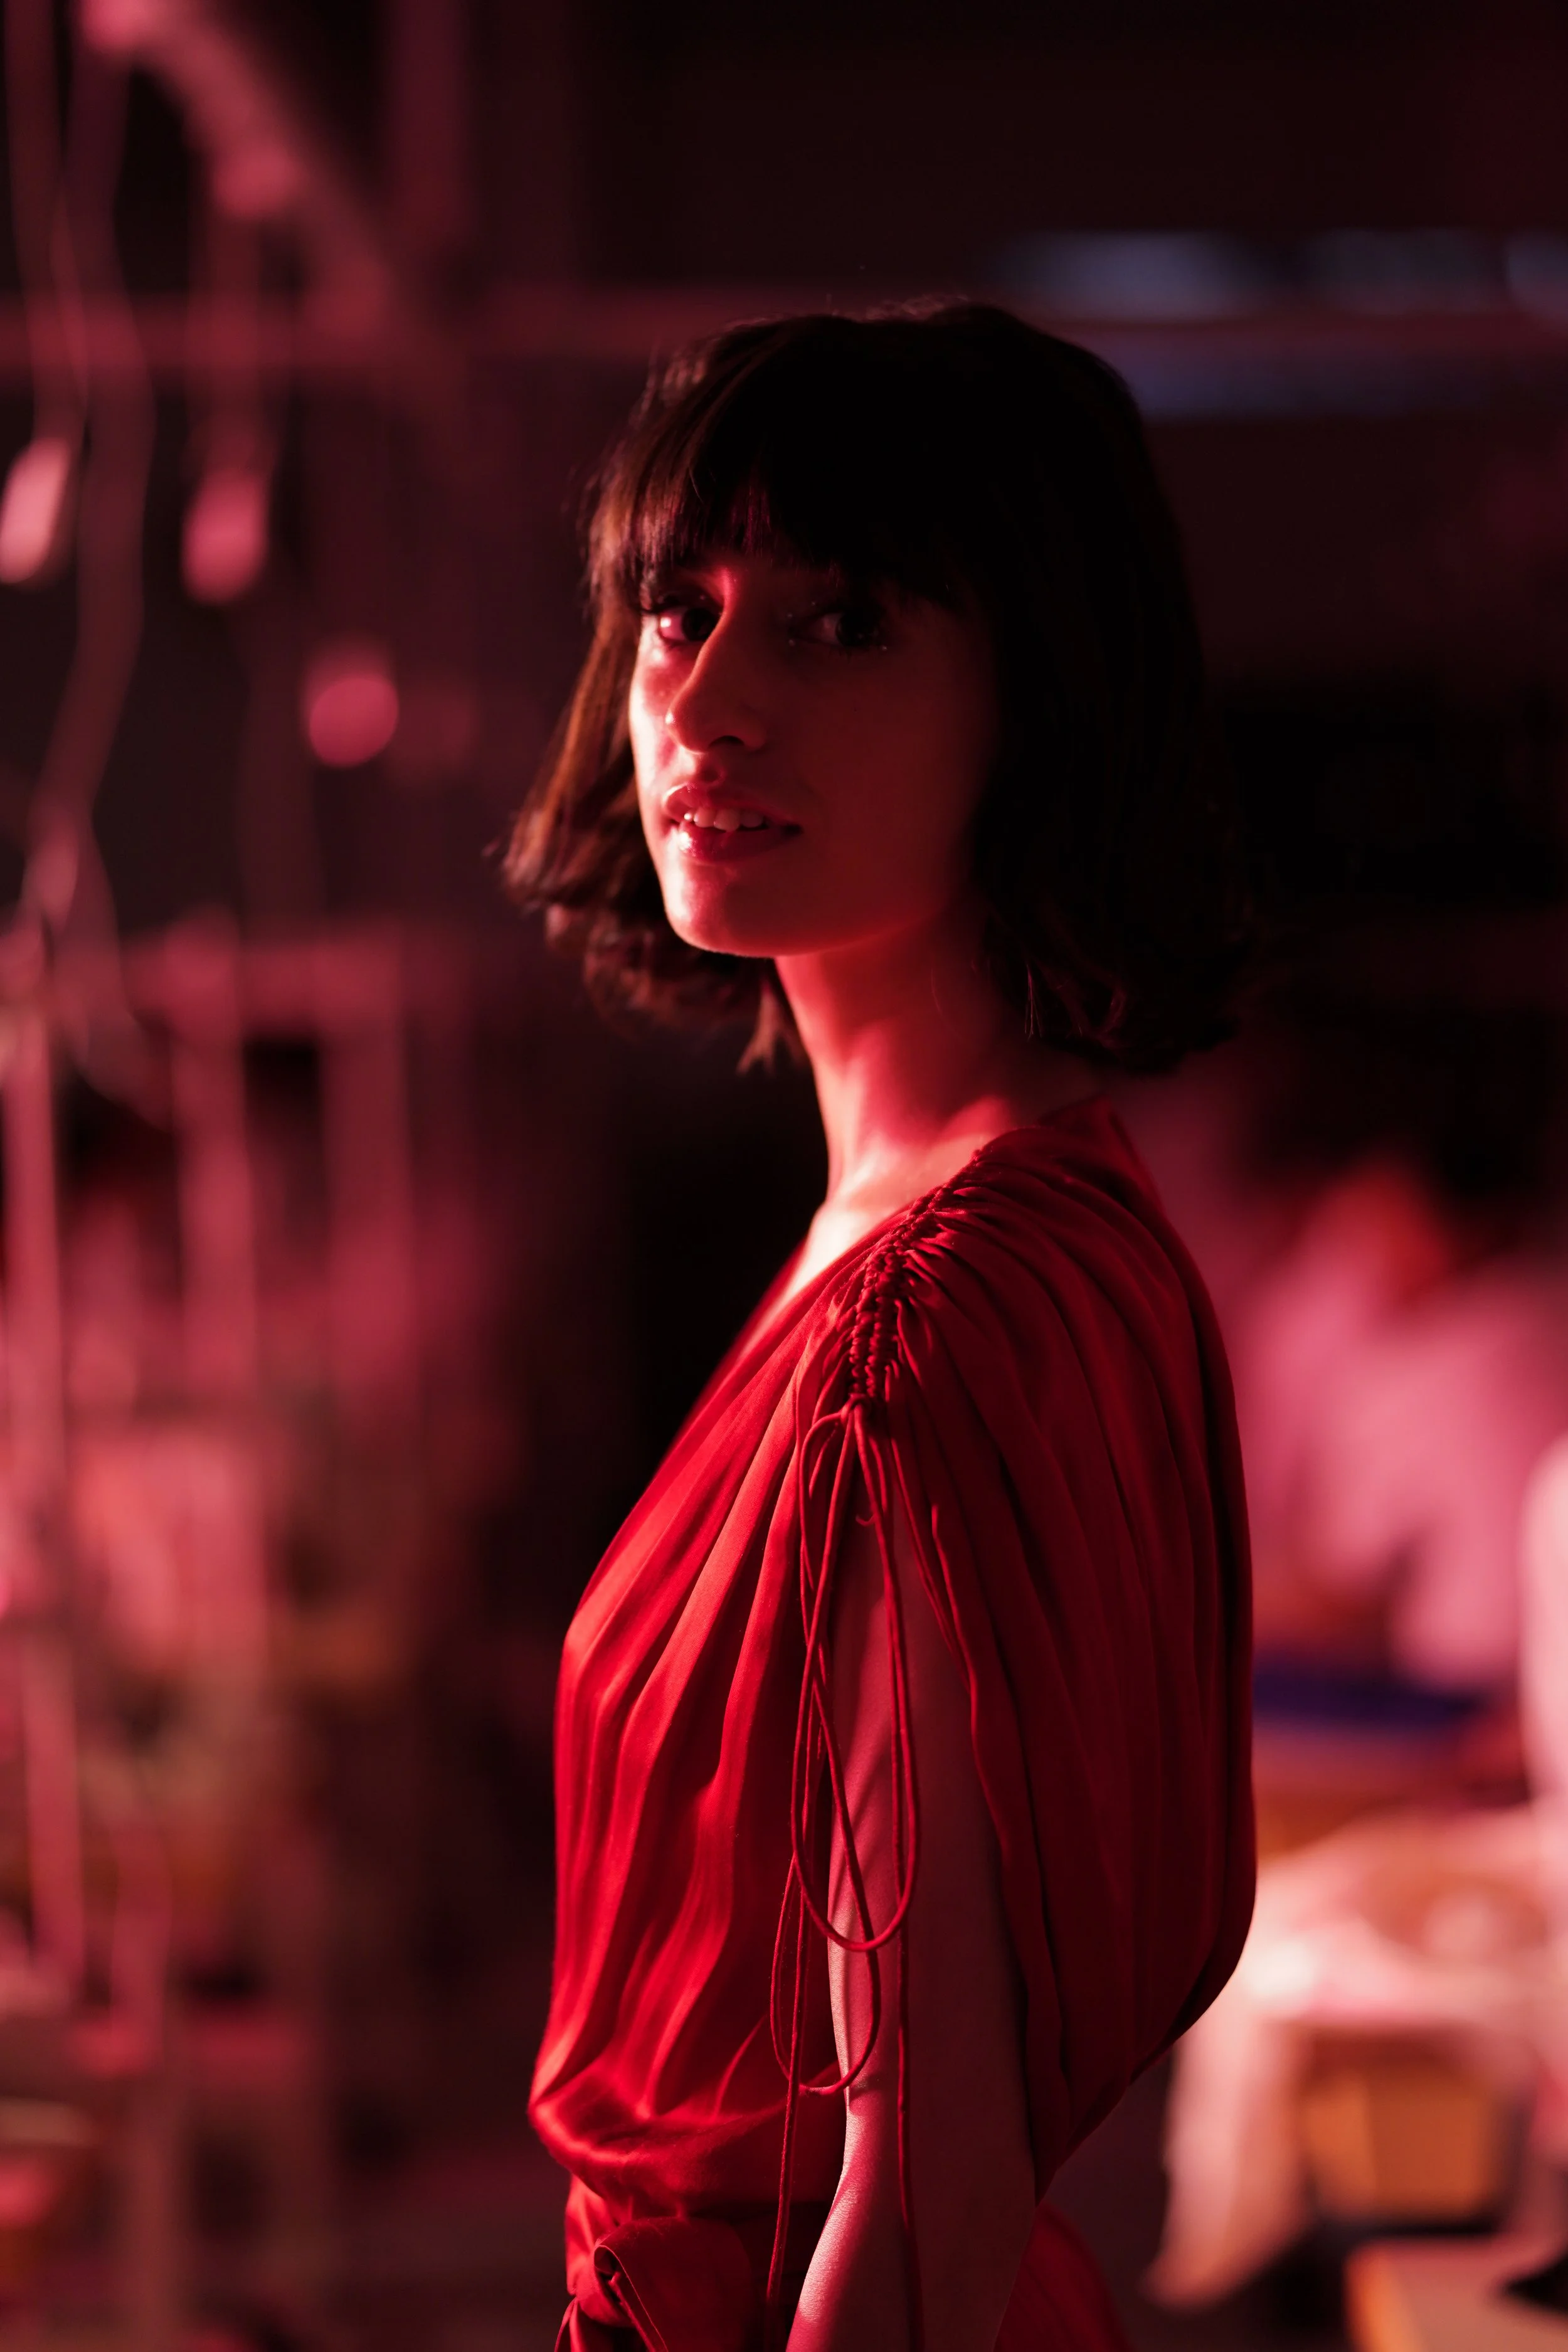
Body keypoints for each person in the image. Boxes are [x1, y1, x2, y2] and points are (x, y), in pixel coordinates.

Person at [506, 304, 1255, 2352]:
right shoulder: (898, 1232)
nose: (710, 700)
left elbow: (909, 2225)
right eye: (678, 610)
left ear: (1039, 702)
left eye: (839, 625)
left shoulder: (949, 1307)